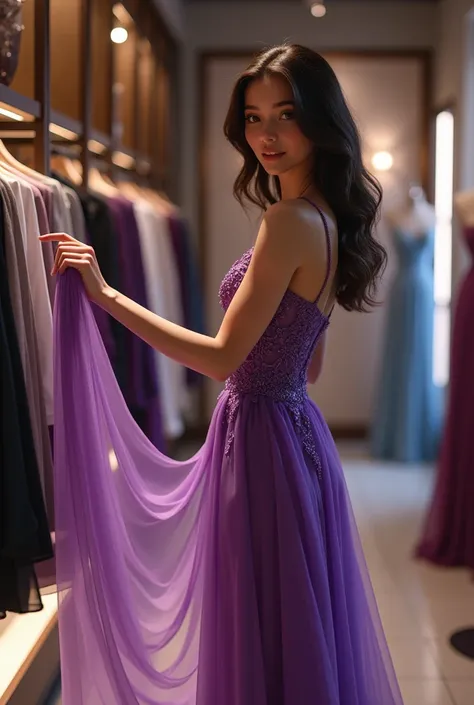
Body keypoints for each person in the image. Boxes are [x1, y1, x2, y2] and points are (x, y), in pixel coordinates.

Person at [41, 44, 403, 705]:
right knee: (286, 617)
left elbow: (219, 358)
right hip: (296, 431)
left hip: (263, 439)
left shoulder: (288, 219)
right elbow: (311, 359)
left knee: (262, 615)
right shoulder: (323, 216)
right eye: (254, 117)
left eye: (285, 115)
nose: (266, 135)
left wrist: (105, 294)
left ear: (319, 119)